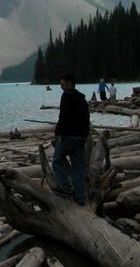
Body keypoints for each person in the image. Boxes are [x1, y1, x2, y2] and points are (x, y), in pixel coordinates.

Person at [52, 74, 90, 204]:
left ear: (69, 83)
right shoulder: (81, 98)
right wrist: (85, 135)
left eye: (62, 84)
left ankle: (65, 188)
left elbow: (64, 115)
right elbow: (87, 117)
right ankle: (80, 197)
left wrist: (57, 132)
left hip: (68, 136)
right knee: (78, 168)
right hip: (80, 137)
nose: (61, 87)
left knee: (57, 161)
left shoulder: (67, 95)